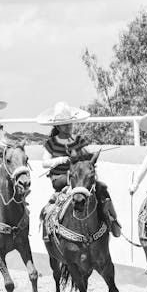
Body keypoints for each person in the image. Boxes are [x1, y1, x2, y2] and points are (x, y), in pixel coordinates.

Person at [37, 101, 121, 237]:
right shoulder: (51, 143)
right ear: (57, 126)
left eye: (70, 123)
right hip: (60, 178)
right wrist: (60, 160)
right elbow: (44, 163)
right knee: (74, 184)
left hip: (79, 177)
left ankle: (112, 219)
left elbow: (87, 156)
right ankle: (52, 225)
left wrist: (89, 157)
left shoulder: (78, 140)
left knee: (101, 187)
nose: (68, 126)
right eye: (64, 124)